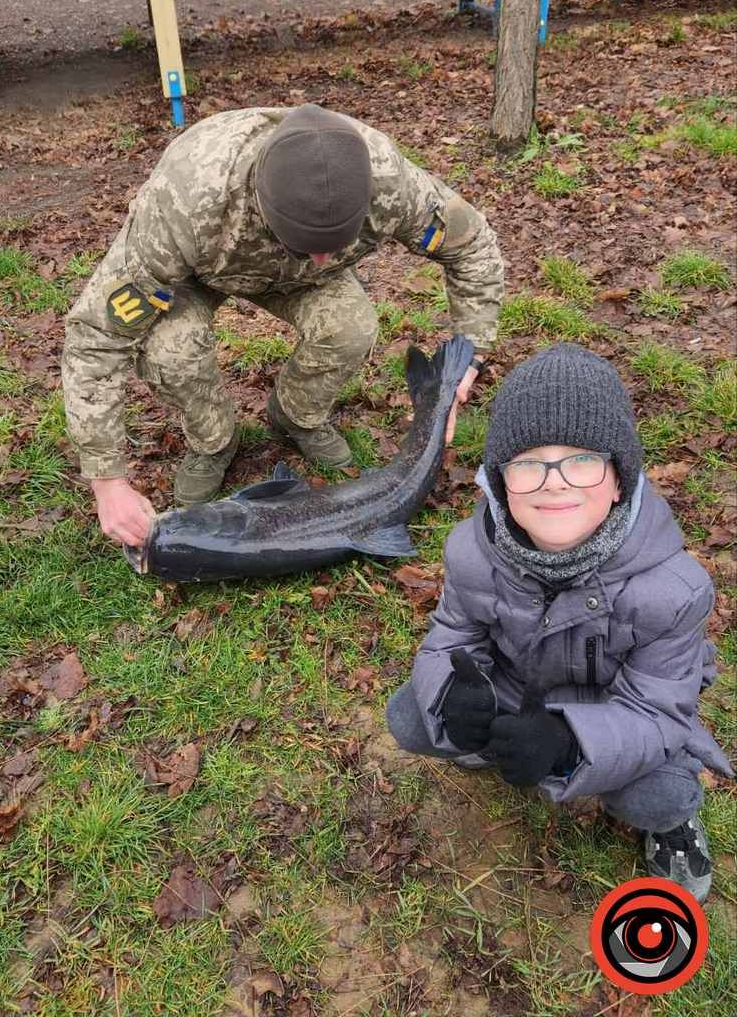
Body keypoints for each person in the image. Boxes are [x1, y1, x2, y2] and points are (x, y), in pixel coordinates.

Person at [61, 104, 504, 548]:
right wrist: (108, 480)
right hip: (197, 271)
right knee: (172, 350)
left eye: (335, 244)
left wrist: (471, 353)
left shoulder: (389, 181)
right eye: (308, 243)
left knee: (351, 327)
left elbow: (472, 245)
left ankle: (296, 415)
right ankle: (215, 440)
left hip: (302, 283)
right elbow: (96, 337)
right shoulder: (188, 200)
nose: (323, 257)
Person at [386, 343, 733, 903]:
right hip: (515, 688)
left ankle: (672, 829)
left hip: (611, 712)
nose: (554, 482)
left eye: (581, 460)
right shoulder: (470, 552)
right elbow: (451, 635)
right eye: (528, 463)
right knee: (410, 715)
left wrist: (570, 743)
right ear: (500, 483)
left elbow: (659, 711)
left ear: (620, 477)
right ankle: (495, 743)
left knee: (659, 797)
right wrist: (451, 693)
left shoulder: (674, 591)